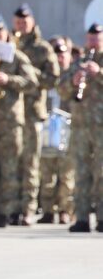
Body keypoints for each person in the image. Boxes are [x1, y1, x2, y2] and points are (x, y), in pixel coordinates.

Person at [0, 15, 37, 227]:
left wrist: (9, 80)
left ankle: (8, 211)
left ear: (6, 35)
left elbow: (32, 82)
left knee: (10, 167)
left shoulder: (17, 56)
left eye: (0, 34)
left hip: (11, 121)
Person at [12, 4, 60, 222]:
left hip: (32, 111)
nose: (21, 25)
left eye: (25, 22)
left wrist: (30, 73)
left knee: (31, 162)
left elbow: (52, 79)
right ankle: (11, 207)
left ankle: (28, 208)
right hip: (9, 114)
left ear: (32, 22)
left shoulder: (42, 48)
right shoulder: (7, 45)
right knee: (12, 161)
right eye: (18, 22)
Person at [59, 24, 103, 232]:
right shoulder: (79, 62)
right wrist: (73, 82)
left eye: (97, 38)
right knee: (81, 172)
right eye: (90, 38)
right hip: (81, 126)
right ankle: (82, 218)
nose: (93, 42)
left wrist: (99, 73)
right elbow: (61, 89)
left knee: (101, 171)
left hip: (101, 127)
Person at [38, 37, 75, 224]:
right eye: (56, 54)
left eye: (63, 54)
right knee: (47, 172)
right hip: (47, 128)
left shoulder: (73, 76)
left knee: (66, 173)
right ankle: (48, 210)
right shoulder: (48, 78)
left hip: (67, 128)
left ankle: (64, 210)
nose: (59, 58)